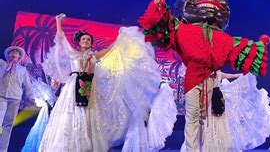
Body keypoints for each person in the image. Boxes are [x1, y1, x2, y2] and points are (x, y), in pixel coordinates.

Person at [138, 0, 270, 152]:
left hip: (212, 81)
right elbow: (164, 26)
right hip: (193, 79)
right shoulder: (183, 29)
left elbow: (238, 47)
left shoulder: (220, 37)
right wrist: (160, 4)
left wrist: (259, 45)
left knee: (210, 118)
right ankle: (192, 149)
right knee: (192, 116)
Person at [39, 13, 177, 151]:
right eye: (83, 39)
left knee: (89, 114)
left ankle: (86, 144)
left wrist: (120, 39)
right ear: (79, 42)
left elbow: (109, 50)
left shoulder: (93, 56)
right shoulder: (73, 53)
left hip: (89, 86)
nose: (86, 41)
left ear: (91, 43)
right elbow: (61, 38)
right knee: (71, 112)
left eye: (88, 39)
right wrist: (58, 22)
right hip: (73, 86)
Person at [0, 45, 36, 152]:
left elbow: (27, 86)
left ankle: (3, 150)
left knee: (8, 125)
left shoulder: (22, 70)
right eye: (12, 52)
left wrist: (31, 99)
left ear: (19, 56)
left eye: (16, 52)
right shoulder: (2, 64)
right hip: (1, 96)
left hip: (15, 98)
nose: (14, 53)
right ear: (9, 55)